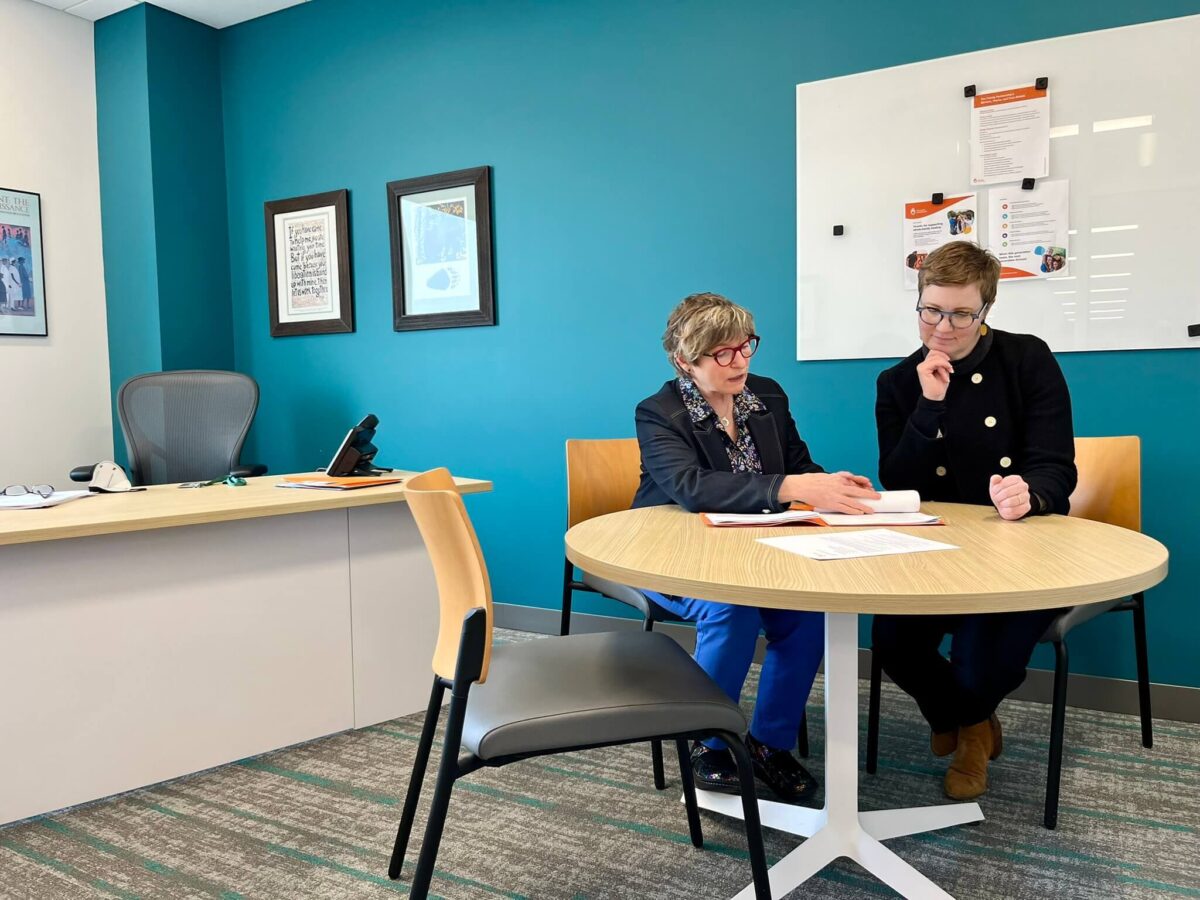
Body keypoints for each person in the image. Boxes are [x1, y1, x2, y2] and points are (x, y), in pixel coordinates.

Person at [634, 292, 880, 804]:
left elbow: (796, 464)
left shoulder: (768, 396)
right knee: (733, 609)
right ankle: (709, 743)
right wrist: (790, 488)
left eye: (745, 347)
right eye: (721, 353)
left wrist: (831, 484)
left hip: (755, 549)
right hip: (668, 555)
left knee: (808, 613)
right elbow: (691, 486)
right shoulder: (659, 412)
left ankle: (769, 743)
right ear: (685, 360)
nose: (740, 361)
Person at [873, 241, 1077, 801]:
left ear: (986, 311)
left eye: (961, 314)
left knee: (978, 655)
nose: (943, 326)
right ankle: (973, 722)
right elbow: (899, 480)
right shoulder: (896, 382)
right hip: (933, 549)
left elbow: (1057, 466)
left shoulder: (1026, 360)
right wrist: (929, 404)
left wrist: (1028, 494)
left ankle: (966, 733)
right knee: (892, 640)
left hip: (1018, 544)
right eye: (931, 310)